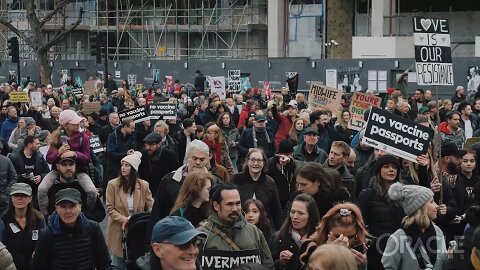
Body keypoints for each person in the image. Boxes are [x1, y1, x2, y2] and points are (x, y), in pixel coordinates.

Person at [197, 184, 274, 270]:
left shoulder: (254, 232)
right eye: (229, 204)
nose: (235, 209)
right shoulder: (202, 235)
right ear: (216, 206)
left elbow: (268, 265)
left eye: (238, 203)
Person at [147, 140, 211, 242]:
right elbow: (157, 214)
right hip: (173, 238)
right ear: (187, 157)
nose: (198, 162)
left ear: (208, 159)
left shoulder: (214, 183)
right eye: (194, 158)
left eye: (202, 159)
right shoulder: (169, 181)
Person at [32, 188, 111, 270]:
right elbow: (38, 266)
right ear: (57, 208)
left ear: (80, 206)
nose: (68, 211)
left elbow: (104, 263)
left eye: (72, 206)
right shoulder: (47, 234)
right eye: (63, 207)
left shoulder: (93, 228)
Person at [382, 183, 448, 270]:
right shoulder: (398, 237)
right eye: (431, 202)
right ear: (420, 207)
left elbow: (445, 264)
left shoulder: (438, 232)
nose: (436, 206)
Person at [106, 151, 154, 269]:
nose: (123, 168)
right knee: (118, 263)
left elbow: (151, 206)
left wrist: (143, 219)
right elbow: (110, 208)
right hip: (118, 229)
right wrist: (125, 220)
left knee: (135, 262)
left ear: (133, 168)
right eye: (122, 164)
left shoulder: (143, 185)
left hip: (137, 229)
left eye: (127, 165)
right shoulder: (112, 184)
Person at [357, 155, 405, 270]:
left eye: (394, 167)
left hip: (399, 247)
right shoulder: (368, 194)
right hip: (376, 250)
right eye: (386, 166)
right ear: (379, 170)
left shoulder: (404, 194)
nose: (391, 170)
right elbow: (360, 223)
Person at [232, 148, 284, 229]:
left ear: (264, 163)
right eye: (252, 160)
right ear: (247, 161)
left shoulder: (270, 182)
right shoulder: (236, 179)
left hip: (264, 229)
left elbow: (277, 210)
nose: (255, 163)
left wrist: (280, 232)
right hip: (239, 227)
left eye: (259, 160)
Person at [0, 183, 45, 270]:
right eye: (16, 195)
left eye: (23, 195)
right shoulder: (4, 220)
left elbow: (43, 242)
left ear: (30, 198)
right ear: (11, 198)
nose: (19, 198)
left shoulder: (39, 219)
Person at [269, 194, 320, 270]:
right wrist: (280, 262)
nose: (295, 217)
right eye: (292, 212)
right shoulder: (278, 238)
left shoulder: (318, 239)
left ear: (310, 216)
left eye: (301, 213)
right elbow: (268, 265)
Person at [313, 203, 369, 267]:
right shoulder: (311, 248)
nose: (345, 241)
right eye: (338, 236)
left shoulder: (367, 250)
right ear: (327, 232)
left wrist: (361, 267)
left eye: (350, 237)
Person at [8, 135, 50, 209]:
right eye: (37, 144)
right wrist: (22, 176)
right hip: (20, 192)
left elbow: (47, 172)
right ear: (30, 145)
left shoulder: (39, 157)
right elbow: (10, 176)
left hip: (35, 193)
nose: (39, 145)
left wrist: (41, 177)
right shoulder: (14, 157)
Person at [138, 132, 179, 196]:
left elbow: (175, 175)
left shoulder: (169, 156)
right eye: (147, 144)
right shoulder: (142, 155)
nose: (148, 147)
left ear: (159, 144)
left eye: (152, 144)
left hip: (164, 193)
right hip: (145, 193)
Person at [106, 118, 136, 183]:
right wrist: (126, 154)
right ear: (125, 127)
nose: (133, 130)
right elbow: (111, 153)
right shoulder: (113, 136)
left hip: (128, 170)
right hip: (114, 170)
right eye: (132, 128)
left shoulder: (132, 136)